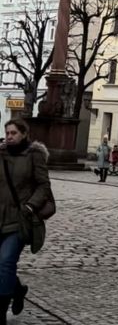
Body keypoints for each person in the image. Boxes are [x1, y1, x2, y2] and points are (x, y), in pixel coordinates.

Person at [0, 118, 53, 322]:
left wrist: (30, 206)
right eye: (7, 133)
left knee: (6, 262)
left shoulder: (34, 155)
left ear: (24, 134)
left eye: (13, 133)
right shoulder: (1, 154)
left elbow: (43, 186)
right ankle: (17, 290)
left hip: (19, 220)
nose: (9, 137)